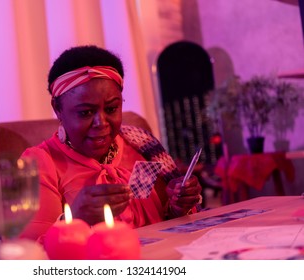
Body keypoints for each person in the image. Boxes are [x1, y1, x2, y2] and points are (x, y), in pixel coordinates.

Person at [19, 45, 202, 241]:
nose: (101, 123)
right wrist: (74, 219)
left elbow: (165, 225)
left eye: (112, 108)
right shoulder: (40, 163)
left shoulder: (141, 145)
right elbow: (31, 256)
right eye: (86, 112)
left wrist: (178, 206)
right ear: (58, 109)